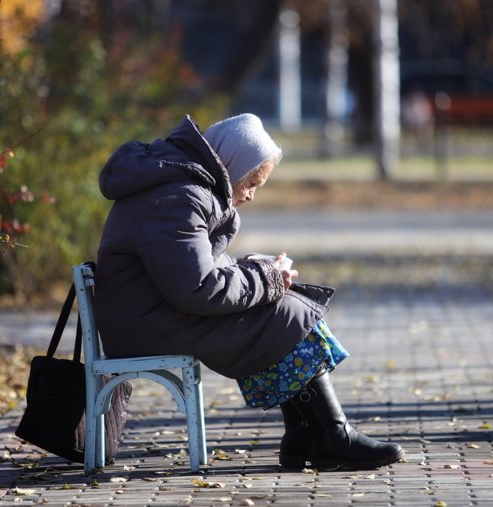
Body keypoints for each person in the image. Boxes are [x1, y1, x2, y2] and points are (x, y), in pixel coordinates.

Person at [95, 113, 404, 471]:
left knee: (282, 305)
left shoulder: (180, 185)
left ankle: (306, 435)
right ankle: (332, 436)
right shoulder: (181, 197)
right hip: (149, 324)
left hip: (149, 313)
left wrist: (261, 271)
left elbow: (196, 270)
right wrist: (266, 278)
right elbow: (197, 288)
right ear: (233, 166)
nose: (252, 195)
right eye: (253, 182)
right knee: (282, 312)